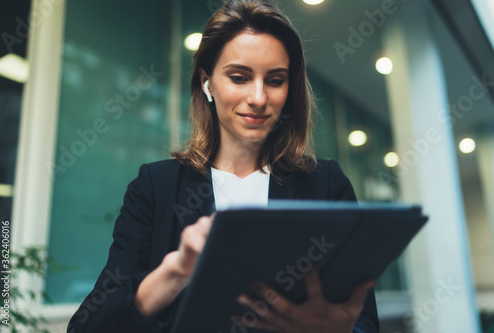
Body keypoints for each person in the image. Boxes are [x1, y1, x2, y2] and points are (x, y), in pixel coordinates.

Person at [67, 0, 379, 332]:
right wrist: (176, 271)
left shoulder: (324, 185)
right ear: (207, 83)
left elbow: (364, 321)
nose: (259, 98)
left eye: (275, 80)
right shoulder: (156, 187)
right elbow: (90, 326)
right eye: (239, 77)